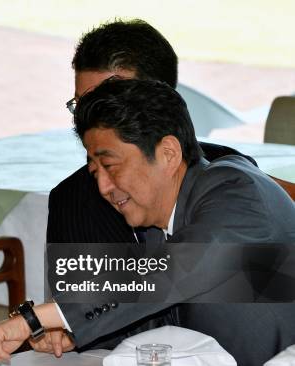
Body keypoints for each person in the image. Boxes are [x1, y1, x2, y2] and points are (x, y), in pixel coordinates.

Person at [0, 79, 295, 366]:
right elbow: (165, 315)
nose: (103, 187)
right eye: (95, 171)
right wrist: (76, 333)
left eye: (111, 166)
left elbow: (171, 274)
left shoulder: (236, 192)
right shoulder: (161, 225)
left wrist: (33, 319)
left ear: (169, 154)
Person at [48, 19, 256, 245]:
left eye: (111, 103)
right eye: (82, 104)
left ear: (159, 100)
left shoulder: (230, 177)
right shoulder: (71, 202)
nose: (90, 120)